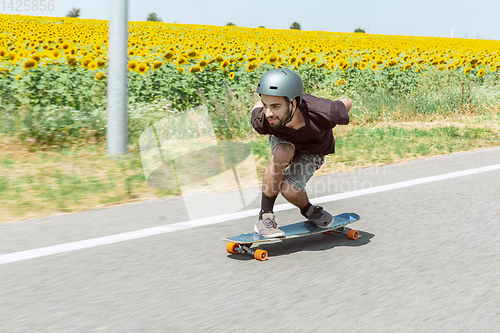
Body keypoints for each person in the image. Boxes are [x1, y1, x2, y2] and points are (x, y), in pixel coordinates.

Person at [251, 68, 352, 237]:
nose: (269, 113)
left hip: (314, 148)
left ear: (294, 103)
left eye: (276, 106)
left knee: (289, 189)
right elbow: (257, 108)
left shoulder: (326, 112)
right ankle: (265, 217)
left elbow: (346, 102)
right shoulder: (263, 120)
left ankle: (309, 210)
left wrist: (339, 115)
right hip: (284, 138)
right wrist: (265, 105)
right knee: (282, 152)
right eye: (265, 105)